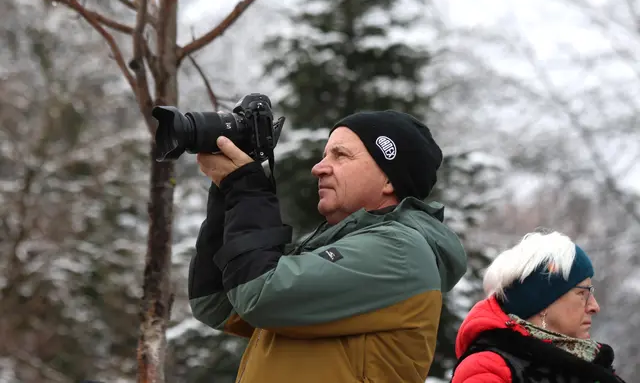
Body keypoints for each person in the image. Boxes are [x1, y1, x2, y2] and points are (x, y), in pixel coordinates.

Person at [188, 109, 468, 383]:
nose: (318, 168)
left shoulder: (400, 251)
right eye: (324, 155)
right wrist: (228, 192)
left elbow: (259, 294)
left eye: (340, 155)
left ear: (389, 179)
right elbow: (216, 303)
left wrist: (246, 188)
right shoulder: (339, 247)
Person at [451, 230, 626, 383]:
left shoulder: (592, 364)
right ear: (543, 304)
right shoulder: (488, 369)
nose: (594, 307)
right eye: (582, 293)